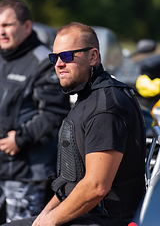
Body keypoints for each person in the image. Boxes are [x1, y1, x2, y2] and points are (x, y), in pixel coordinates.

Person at [3, 22, 146, 226]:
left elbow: (96, 187)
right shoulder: (87, 97)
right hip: (86, 212)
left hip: (106, 219)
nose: (59, 64)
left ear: (93, 56)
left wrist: (50, 221)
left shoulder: (105, 106)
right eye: (55, 57)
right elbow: (71, 181)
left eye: (68, 56)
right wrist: (43, 216)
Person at [0, 0, 70, 223]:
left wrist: (20, 139)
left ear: (27, 26)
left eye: (7, 25)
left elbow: (54, 112)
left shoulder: (43, 61)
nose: (1, 31)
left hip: (25, 172)